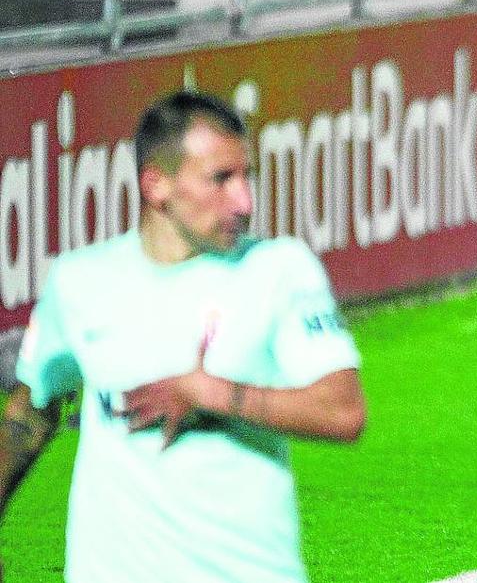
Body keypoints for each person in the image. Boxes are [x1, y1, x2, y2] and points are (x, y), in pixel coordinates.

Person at [0, 90, 366, 583]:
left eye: (246, 177)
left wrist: (211, 394)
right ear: (156, 185)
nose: (245, 201)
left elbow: (344, 411)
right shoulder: (79, 282)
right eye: (221, 179)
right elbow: (30, 415)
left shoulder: (279, 270)